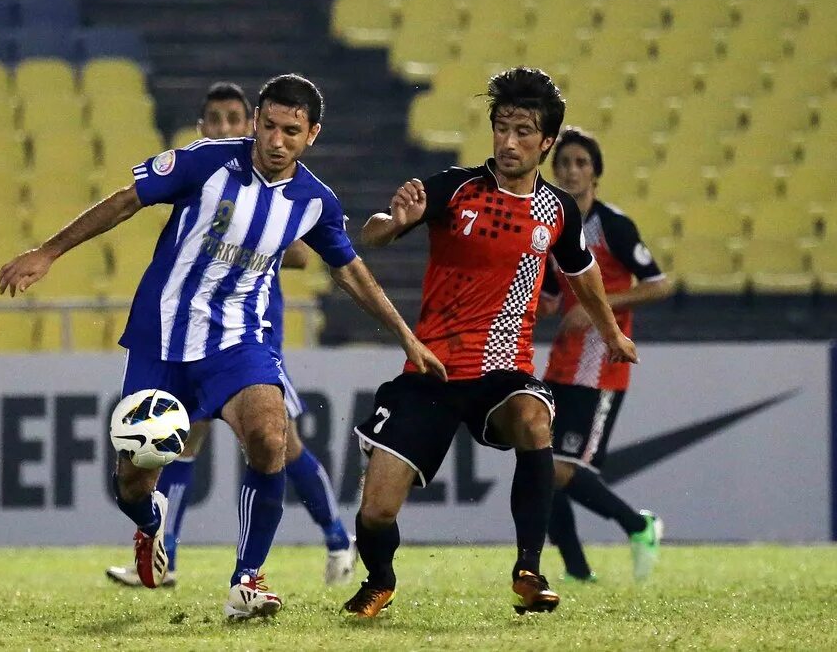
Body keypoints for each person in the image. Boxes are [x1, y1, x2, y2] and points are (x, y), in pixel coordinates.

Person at [0, 74, 444, 620]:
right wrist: (48, 251)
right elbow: (125, 201)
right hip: (161, 341)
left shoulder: (315, 202)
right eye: (270, 126)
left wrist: (406, 336)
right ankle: (151, 523)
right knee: (133, 479)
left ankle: (247, 580)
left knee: (270, 433)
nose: (277, 141)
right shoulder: (206, 161)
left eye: (292, 132)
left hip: (239, 342)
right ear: (256, 120)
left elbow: (348, 270)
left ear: (312, 135)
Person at [341, 67, 638, 618]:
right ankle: (379, 578)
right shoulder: (456, 187)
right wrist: (394, 221)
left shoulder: (557, 211)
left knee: (532, 420)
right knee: (377, 510)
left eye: (524, 131)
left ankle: (529, 569)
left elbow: (581, 270)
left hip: (503, 370)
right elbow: (373, 232)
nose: (509, 141)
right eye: (502, 127)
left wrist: (610, 330)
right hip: (432, 370)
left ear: (546, 142)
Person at [104, 82, 356, 590]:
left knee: (279, 444)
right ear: (203, 128)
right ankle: (163, 551)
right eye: (213, 120)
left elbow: (308, 253)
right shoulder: (212, 170)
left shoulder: (290, 192)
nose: (224, 128)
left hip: (253, 328)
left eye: (232, 119)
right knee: (181, 437)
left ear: (250, 122)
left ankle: (333, 536)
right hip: (187, 329)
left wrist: (249, 233)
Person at [537, 127, 672, 583]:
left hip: (601, 368)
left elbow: (658, 284)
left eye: (581, 163)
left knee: (557, 469)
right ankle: (578, 574)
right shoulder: (553, 223)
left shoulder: (612, 224)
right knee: (541, 468)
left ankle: (639, 525)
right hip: (560, 365)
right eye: (564, 164)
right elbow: (554, 295)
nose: (572, 171)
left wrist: (599, 307)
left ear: (595, 173)